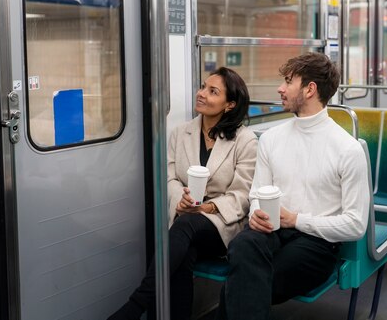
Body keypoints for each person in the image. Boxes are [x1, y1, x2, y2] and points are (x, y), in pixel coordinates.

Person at [215, 52, 370, 320]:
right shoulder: (272, 139)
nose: (280, 88)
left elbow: (356, 224)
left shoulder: (347, 149)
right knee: (243, 245)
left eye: (288, 81)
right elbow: (256, 195)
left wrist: (297, 220)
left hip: (316, 242)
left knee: (245, 282)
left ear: (310, 89)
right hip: (272, 230)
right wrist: (256, 214)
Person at [109, 67, 257, 320]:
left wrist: (205, 208)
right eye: (202, 87)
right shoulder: (180, 133)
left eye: (213, 92)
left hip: (222, 225)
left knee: (184, 227)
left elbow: (243, 195)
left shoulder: (245, 140)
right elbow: (169, 178)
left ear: (230, 104)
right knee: (182, 254)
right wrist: (182, 201)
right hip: (186, 219)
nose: (201, 94)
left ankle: (134, 307)